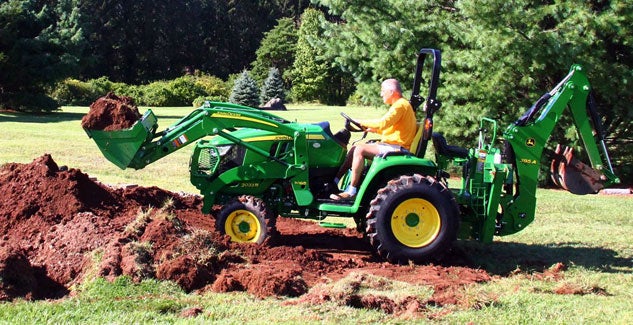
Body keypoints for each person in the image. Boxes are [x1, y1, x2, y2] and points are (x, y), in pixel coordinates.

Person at [330, 78, 417, 200]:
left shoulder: (400, 105)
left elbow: (383, 123)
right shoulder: (401, 105)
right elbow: (391, 128)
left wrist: (360, 121)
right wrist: (372, 129)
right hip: (394, 144)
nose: (381, 94)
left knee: (360, 149)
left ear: (391, 91)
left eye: (383, 91)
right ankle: (334, 181)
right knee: (354, 148)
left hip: (397, 148)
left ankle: (351, 191)